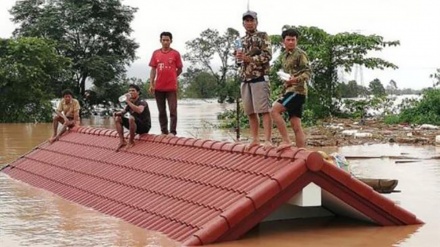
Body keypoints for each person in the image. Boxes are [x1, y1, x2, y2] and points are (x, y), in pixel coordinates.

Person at [235, 10, 273, 150]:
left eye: (252, 20)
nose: (249, 23)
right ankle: (255, 139)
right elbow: (238, 62)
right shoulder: (240, 40)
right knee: (250, 112)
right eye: (247, 21)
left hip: (260, 77)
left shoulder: (263, 36)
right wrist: (238, 58)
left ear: (256, 22)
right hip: (245, 78)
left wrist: (248, 58)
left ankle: (268, 140)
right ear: (243, 23)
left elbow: (267, 56)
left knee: (264, 110)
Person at [271, 28, 312, 150]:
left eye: (293, 40)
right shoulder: (284, 57)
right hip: (290, 89)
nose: (291, 42)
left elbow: (308, 72)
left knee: (274, 110)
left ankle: (286, 140)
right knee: (296, 126)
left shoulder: (300, 54)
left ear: (297, 41)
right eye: (288, 40)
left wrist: (294, 80)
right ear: (283, 42)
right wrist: (287, 82)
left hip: (297, 92)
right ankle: (301, 152)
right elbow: (289, 75)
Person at [148, 31, 183, 136]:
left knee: (173, 110)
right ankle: (164, 131)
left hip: (171, 88)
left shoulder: (175, 53)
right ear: (160, 41)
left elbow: (180, 69)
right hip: (159, 87)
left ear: (171, 41)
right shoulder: (156, 53)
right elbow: (153, 69)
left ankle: (172, 132)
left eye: (167, 40)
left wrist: (173, 76)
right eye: (164, 40)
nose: (166, 42)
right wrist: (151, 84)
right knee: (161, 111)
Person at [113, 84, 151, 151]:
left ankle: (131, 141)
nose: (131, 92)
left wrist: (128, 101)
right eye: (129, 91)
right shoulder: (130, 103)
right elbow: (124, 112)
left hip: (144, 126)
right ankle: (122, 141)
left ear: (138, 92)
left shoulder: (142, 102)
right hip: (134, 124)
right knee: (118, 118)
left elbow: (139, 110)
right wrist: (117, 113)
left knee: (131, 118)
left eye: (133, 91)